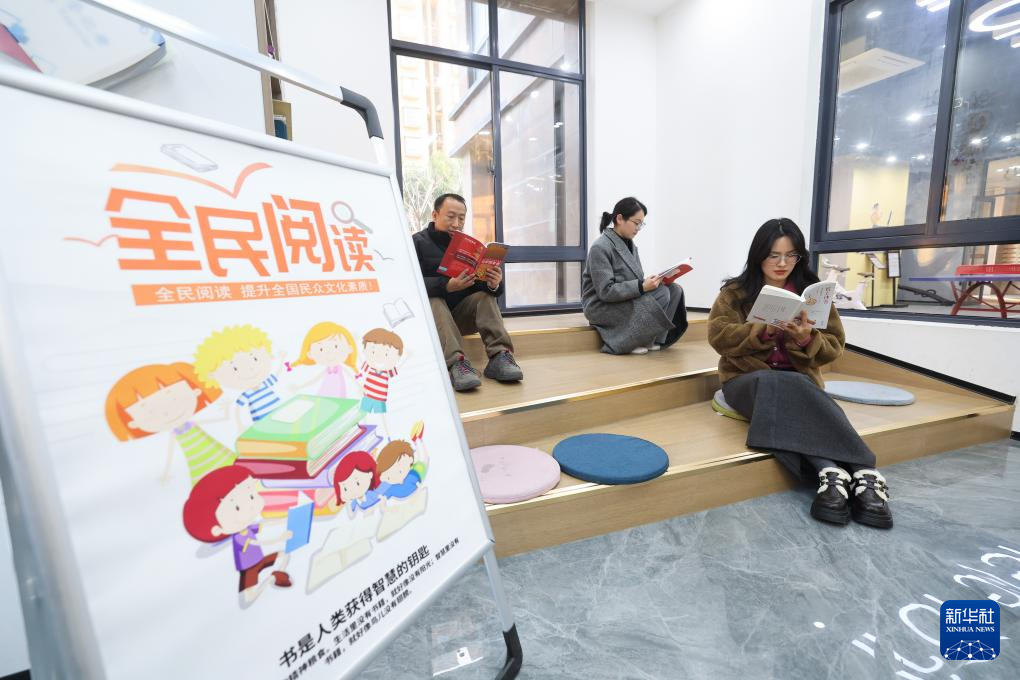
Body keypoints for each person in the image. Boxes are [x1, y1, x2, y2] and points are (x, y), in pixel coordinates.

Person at [707, 217, 892, 528]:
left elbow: (834, 347)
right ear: (759, 255)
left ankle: (830, 476)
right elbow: (718, 337)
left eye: (790, 255)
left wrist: (806, 339)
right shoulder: (735, 293)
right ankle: (864, 469)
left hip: (800, 382)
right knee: (779, 383)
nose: (782, 263)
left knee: (793, 384)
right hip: (746, 379)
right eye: (773, 255)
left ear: (800, 256)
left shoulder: (813, 294)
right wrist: (762, 331)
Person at [412, 193, 523, 391]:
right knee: (434, 299)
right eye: (450, 216)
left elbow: (478, 287)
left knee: (485, 296)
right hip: (431, 322)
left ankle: (499, 356)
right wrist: (446, 286)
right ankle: (456, 363)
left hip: (460, 318)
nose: (456, 224)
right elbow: (409, 284)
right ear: (435, 215)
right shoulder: (416, 243)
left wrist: (493, 284)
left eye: (461, 218)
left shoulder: (469, 247)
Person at [581, 197, 688, 354]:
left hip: (625, 298)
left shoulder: (631, 246)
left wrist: (655, 281)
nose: (638, 228)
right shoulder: (600, 247)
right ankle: (631, 341)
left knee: (674, 290)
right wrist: (641, 286)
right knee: (662, 293)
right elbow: (605, 291)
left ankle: (655, 339)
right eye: (636, 223)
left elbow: (636, 279)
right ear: (619, 219)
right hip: (601, 306)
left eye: (641, 224)